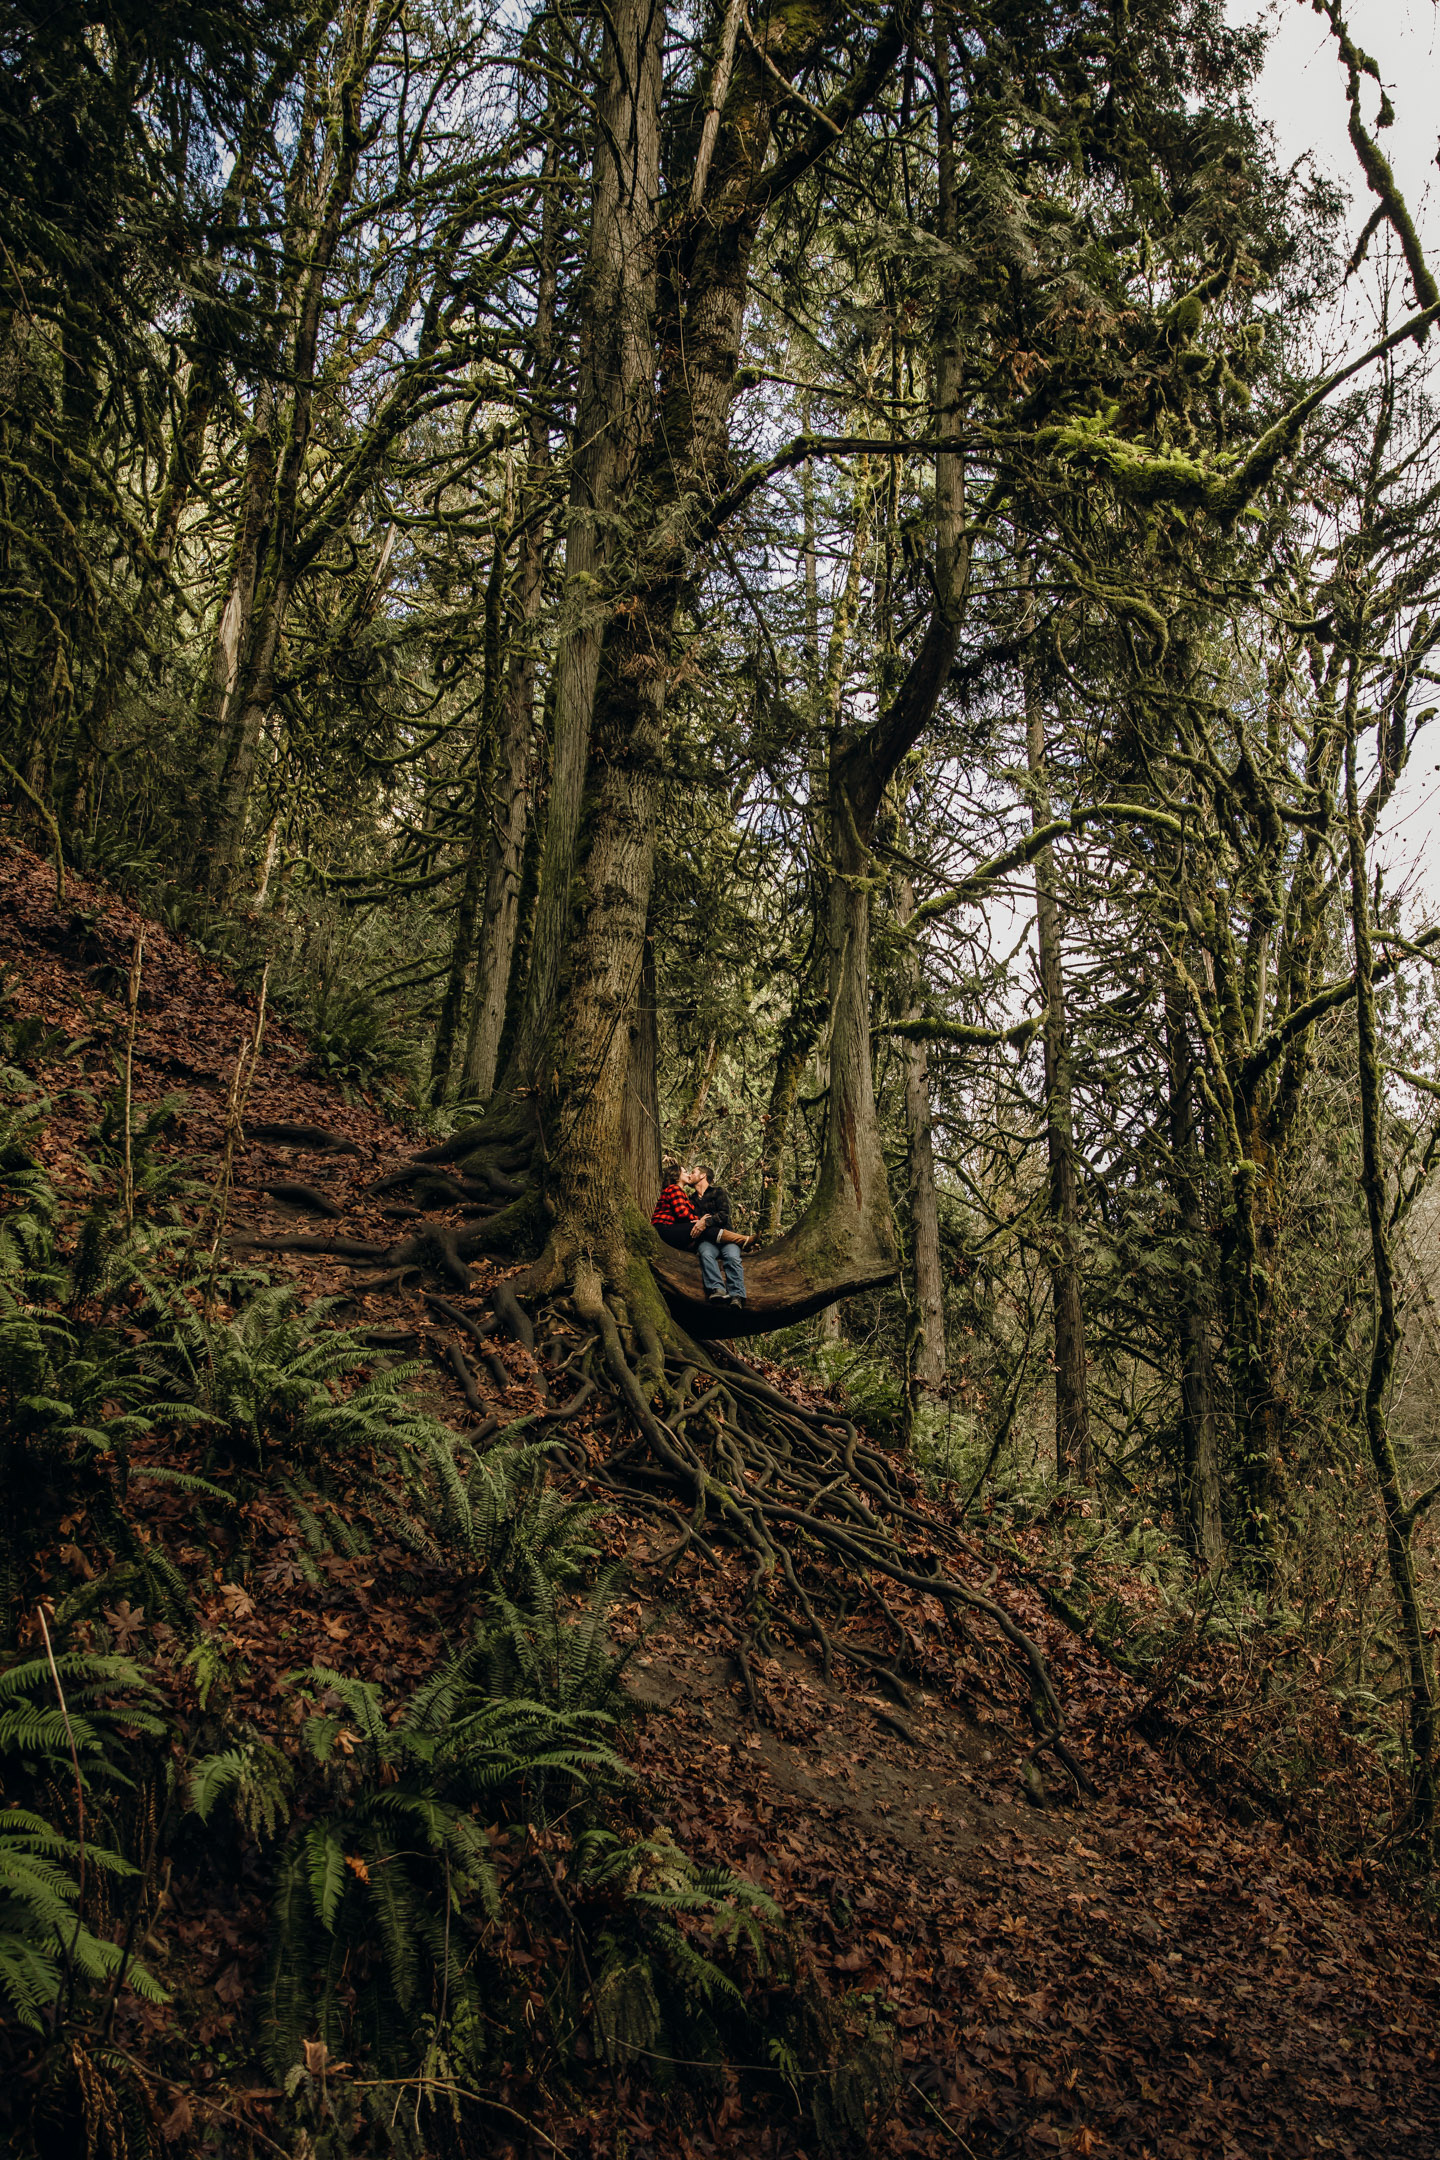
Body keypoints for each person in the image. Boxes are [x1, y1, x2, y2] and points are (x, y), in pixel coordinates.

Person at [686, 1163, 746, 1307]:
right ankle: (717, 1289)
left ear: (702, 1176)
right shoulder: (691, 1199)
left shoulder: (718, 1192)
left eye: (693, 1172)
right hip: (707, 1241)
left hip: (726, 1238)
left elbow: (724, 1215)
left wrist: (705, 1222)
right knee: (706, 1254)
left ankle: (737, 1295)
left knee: (732, 1257)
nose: (690, 1175)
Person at [651, 1157, 701, 1251]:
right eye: (685, 1172)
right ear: (677, 1175)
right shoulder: (674, 1188)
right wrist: (700, 1221)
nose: (689, 1175)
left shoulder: (680, 1192)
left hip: (669, 1228)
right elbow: (682, 1213)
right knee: (701, 1227)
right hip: (663, 1229)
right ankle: (734, 1239)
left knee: (701, 1228)